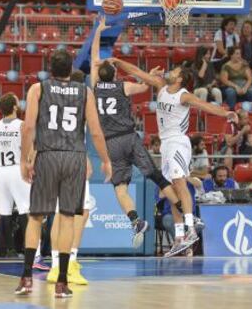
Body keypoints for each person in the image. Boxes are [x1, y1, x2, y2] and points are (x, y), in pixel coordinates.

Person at [107, 57, 237, 257]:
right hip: (166, 144)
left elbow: (205, 106)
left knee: (179, 182)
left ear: (180, 79)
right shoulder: (160, 86)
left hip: (178, 142)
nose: (170, 72)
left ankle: (191, 228)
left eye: (174, 71)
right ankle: (179, 238)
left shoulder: (184, 96)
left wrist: (226, 114)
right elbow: (137, 72)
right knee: (170, 190)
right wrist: (117, 61)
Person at [15, 50, 112, 298]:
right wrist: (105, 160)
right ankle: (61, 282)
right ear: (71, 68)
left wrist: (26, 159)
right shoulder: (85, 91)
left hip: (47, 154)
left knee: (36, 217)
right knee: (68, 218)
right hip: (74, 157)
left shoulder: (38, 89)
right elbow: (96, 131)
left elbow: (27, 128)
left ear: (51, 68)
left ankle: (26, 278)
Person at [91, 17, 182, 249]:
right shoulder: (123, 86)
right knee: (156, 177)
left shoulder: (95, 87)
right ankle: (185, 213)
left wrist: (98, 32)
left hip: (111, 143)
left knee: (120, 188)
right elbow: (146, 85)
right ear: (114, 74)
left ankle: (135, 221)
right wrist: (149, 73)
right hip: (129, 137)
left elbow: (93, 61)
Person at [0, 93, 48, 271]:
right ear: (15, 107)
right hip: (18, 171)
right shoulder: (22, 125)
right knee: (32, 215)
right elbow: (32, 152)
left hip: (0, 173)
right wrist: (31, 166)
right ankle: (36, 257)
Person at [47, 70, 91, 286]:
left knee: (58, 214)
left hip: (53, 158)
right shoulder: (83, 98)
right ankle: (70, 263)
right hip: (73, 159)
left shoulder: (52, 97)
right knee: (78, 213)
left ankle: (55, 266)